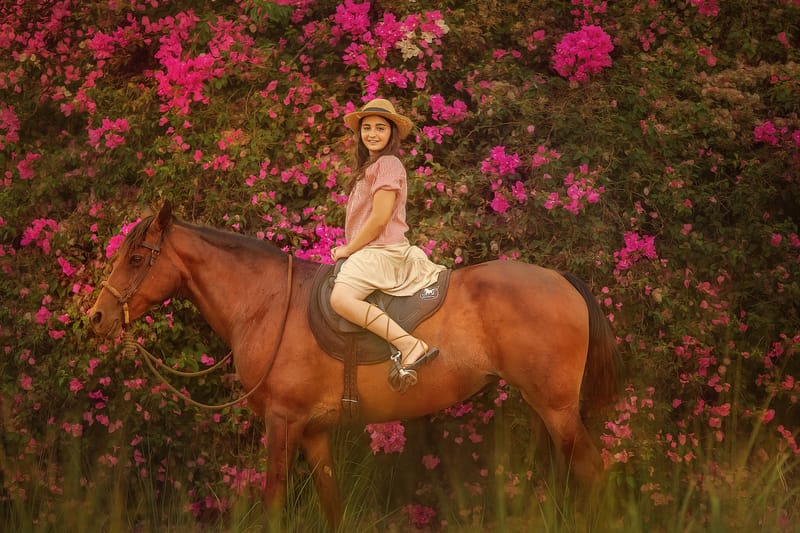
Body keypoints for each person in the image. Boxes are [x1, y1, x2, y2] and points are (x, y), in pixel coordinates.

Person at [330, 98, 446, 391]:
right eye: (367, 128)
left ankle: (408, 345)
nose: (372, 134)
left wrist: (347, 249)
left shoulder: (388, 163)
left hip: (382, 251)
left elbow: (381, 218)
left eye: (380, 128)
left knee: (341, 299)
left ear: (391, 134)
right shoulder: (371, 167)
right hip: (371, 251)